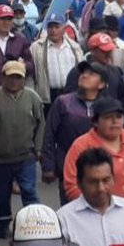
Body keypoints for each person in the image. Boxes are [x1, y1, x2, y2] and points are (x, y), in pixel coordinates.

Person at [0, 61, 46, 239]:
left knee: (29, 192)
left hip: (25, 156)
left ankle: (35, 226)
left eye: (18, 77)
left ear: (23, 79)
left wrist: (39, 148)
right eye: (10, 77)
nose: (14, 81)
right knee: (2, 196)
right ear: (3, 77)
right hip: (1, 158)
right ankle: (2, 226)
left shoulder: (32, 98)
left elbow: (40, 124)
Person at [44, 61, 108, 204]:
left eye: (91, 74)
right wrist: (48, 166)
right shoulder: (63, 102)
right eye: (83, 72)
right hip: (68, 169)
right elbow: (49, 134)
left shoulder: (107, 107)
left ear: (101, 84)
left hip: (99, 170)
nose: (84, 75)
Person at [63, 98, 124, 206]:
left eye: (119, 116)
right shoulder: (81, 145)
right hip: (96, 212)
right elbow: (72, 186)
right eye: (108, 117)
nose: (115, 121)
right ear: (95, 122)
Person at [32, 16, 84, 115]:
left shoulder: (74, 47)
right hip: (48, 97)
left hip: (71, 94)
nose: (53, 30)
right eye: (50, 27)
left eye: (57, 27)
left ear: (64, 28)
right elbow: (32, 75)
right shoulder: (36, 48)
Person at [63, 32, 124, 111]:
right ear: (93, 51)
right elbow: (69, 102)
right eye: (104, 51)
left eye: (110, 50)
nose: (108, 54)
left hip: (110, 116)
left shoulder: (115, 72)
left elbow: (122, 100)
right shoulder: (78, 72)